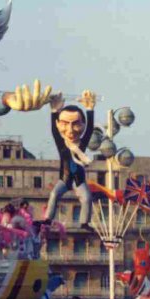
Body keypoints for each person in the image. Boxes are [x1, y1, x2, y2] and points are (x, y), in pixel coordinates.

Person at [43, 90, 95, 225]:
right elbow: (54, 132)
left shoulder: (81, 144)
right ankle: (48, 219)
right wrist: (54, 111)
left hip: (79, 179)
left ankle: (84, 222)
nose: (70, 130)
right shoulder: (62, 144)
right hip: (64, 178)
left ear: (82, 124)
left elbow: (89, 130)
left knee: (87, 198)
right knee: (54, 194)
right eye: (65, 124)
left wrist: (90, 109)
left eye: (76, 124)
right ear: (59, 124)